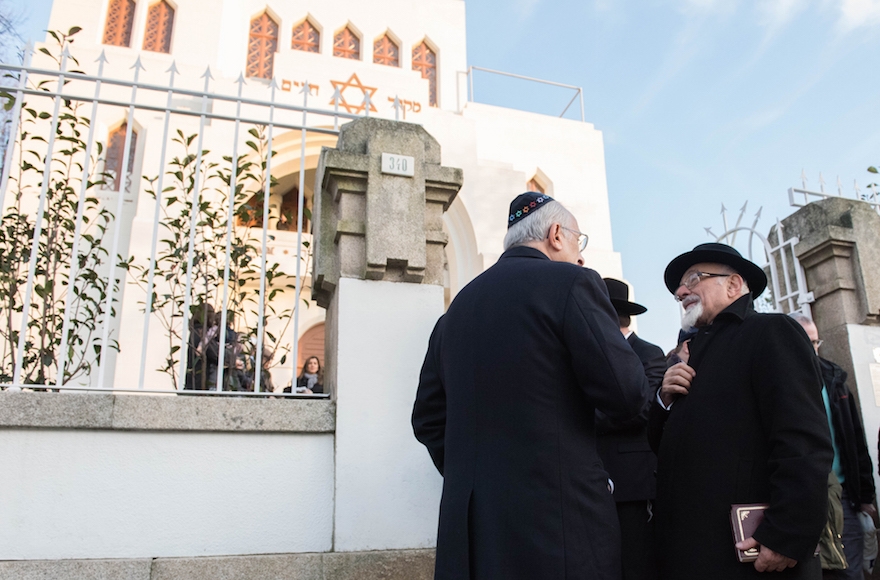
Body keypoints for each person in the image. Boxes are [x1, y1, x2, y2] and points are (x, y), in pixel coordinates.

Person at [412, 192, 650, 580]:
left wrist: (475, 477)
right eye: (579, 241)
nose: (581, 255)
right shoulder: (573, 282)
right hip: (560, 527)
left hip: (472, 534)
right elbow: (627, 396)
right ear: (556, 234)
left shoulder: (456, 310)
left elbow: (426, 419)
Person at [649, 242, 833, 579]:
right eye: (680, 285)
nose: (680, 291)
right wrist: (664, 399)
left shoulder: (770, 332)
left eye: (694, 278)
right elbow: (666, 449)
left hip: (748, 555)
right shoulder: (689, 351)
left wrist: (786, 534)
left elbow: (802, 441)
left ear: (733, 284)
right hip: (692, 553)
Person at [790, 312, 876, 579]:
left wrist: (865, 496)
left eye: (816, 342)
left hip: (844, 499)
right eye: (806, 342)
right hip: (798, 500)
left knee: (849, 571)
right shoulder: (779, 382)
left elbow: (854, 438)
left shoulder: (835, 377)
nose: (812, 349)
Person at [597, 277, 666, 580]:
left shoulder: (649, 353)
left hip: (633, 484)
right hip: (593, 482)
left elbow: (644, 409)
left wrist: (584, 417)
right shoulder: (589, 356)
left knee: (637, 565)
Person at [184, 303, 219, 390]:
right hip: (202, 382)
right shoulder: (204, 334)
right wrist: (232, 361)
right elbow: (215, 355)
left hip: (192, 381)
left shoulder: (194, 332)